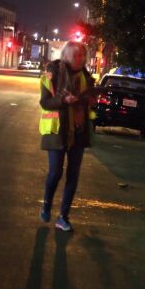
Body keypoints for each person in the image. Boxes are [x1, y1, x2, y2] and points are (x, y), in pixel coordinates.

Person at [39, 41, 97, 232]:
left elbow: (90, 101)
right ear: (66, 56)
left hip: (79, 132)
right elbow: (45, 102)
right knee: (55, 172)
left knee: (73, 174)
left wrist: (91, 99)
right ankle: (47, 204)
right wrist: (63, 100)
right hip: (58, 132)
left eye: (82, 55)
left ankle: (63, 216)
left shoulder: (86, 77)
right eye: (76, 55)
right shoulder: (52, 74)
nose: (80, 58)